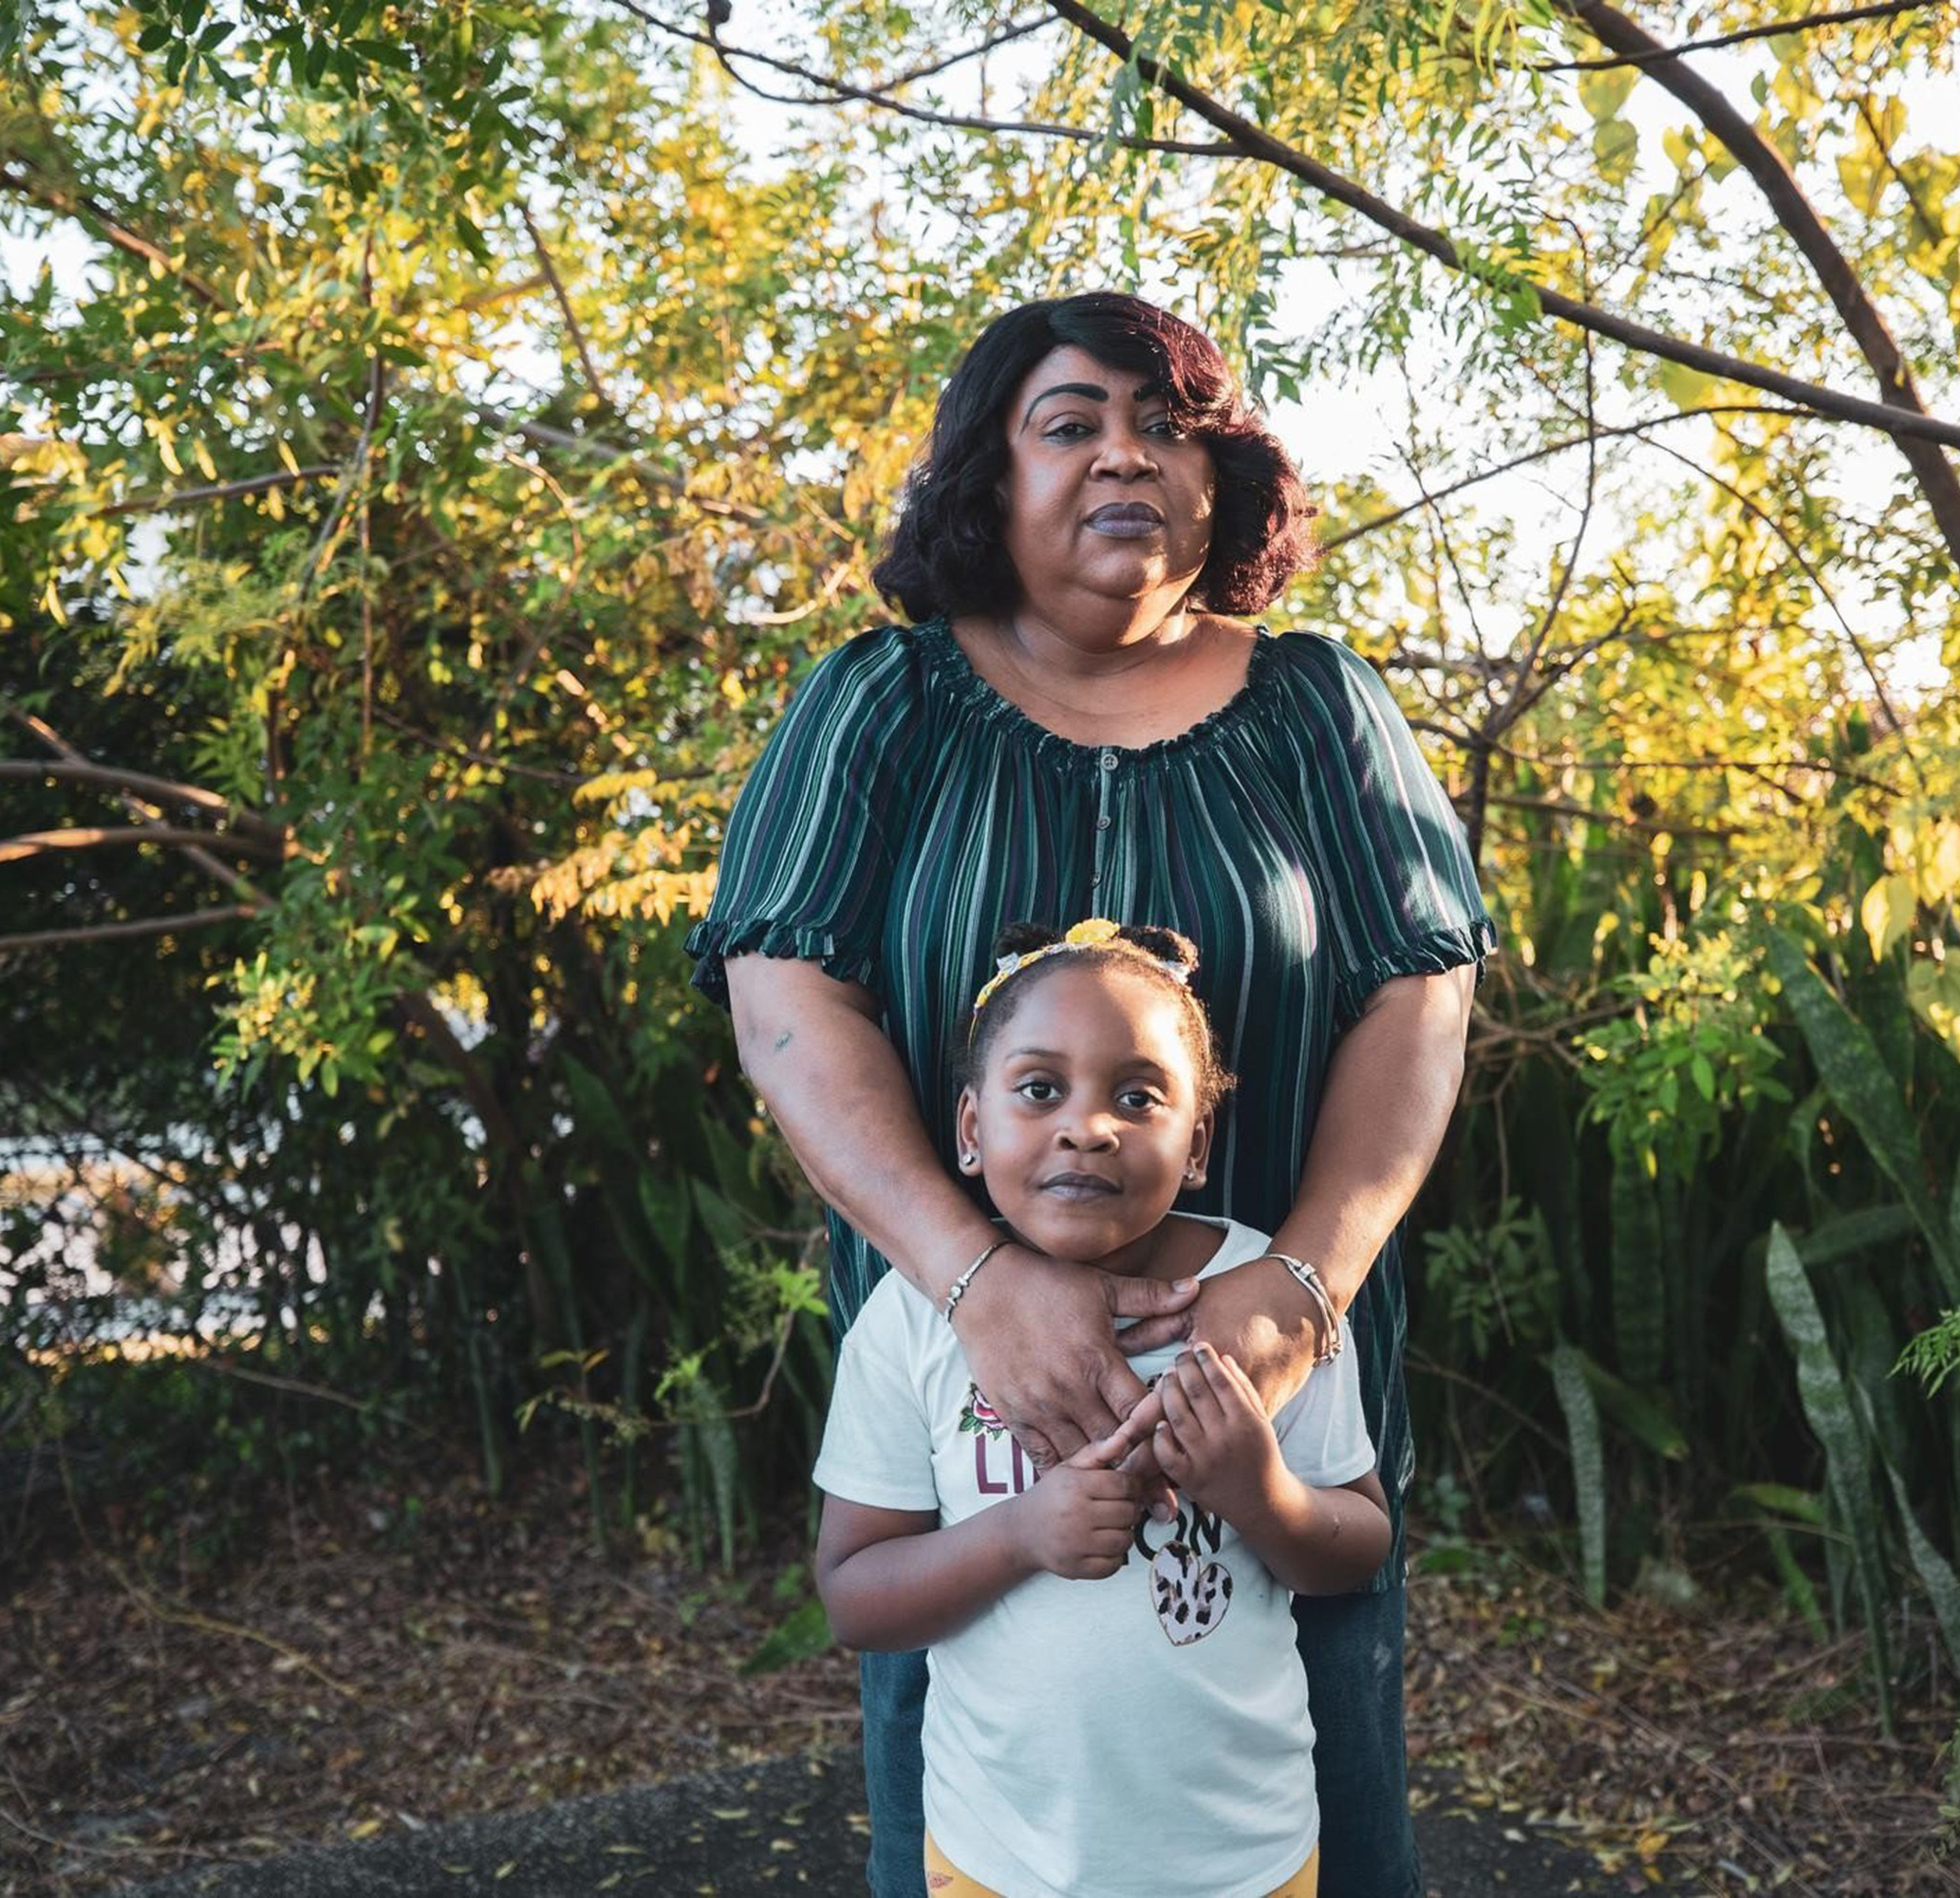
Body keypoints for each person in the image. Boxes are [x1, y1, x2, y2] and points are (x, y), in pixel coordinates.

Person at [686, 290, 1492, 1898]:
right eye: (1071, 423)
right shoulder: (878, 701)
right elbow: (784, 999)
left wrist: (1295, 1291)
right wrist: (974, 1281)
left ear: (1221, 482)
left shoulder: (1320, 705)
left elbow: (1421, 996)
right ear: (992, 477)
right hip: (965, 1429)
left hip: (1262, 1409)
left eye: (1165, 424)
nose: (1123, 454)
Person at [814, 919, 1390, 1898]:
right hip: (1001, 1859)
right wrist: (1019, 1535)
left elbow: (1360, 1544)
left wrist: (1261, 1495)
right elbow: (854, 1595)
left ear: (1196, 1140)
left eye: (1137, 1095)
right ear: (969, 1127)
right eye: (1040, 1088)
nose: (1088, 1125)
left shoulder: (1265, 1305)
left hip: (1243, 1859)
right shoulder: (914, 1317)